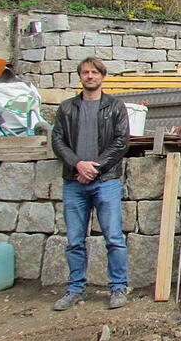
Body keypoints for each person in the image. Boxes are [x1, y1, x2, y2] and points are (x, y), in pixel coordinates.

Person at [51, 57, 130, 310]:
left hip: (105, 180)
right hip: (74, 181)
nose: (90, 76)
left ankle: (118, 288)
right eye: (85, 72)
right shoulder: (66, 108)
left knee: (114, 237)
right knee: (74, 240)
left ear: (102, 76)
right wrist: (78, 164)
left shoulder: (115, 107)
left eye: (94, 72)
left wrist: (94, 167)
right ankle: (74, 289)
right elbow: (58, 141)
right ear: (80, 77)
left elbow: (121, 142)